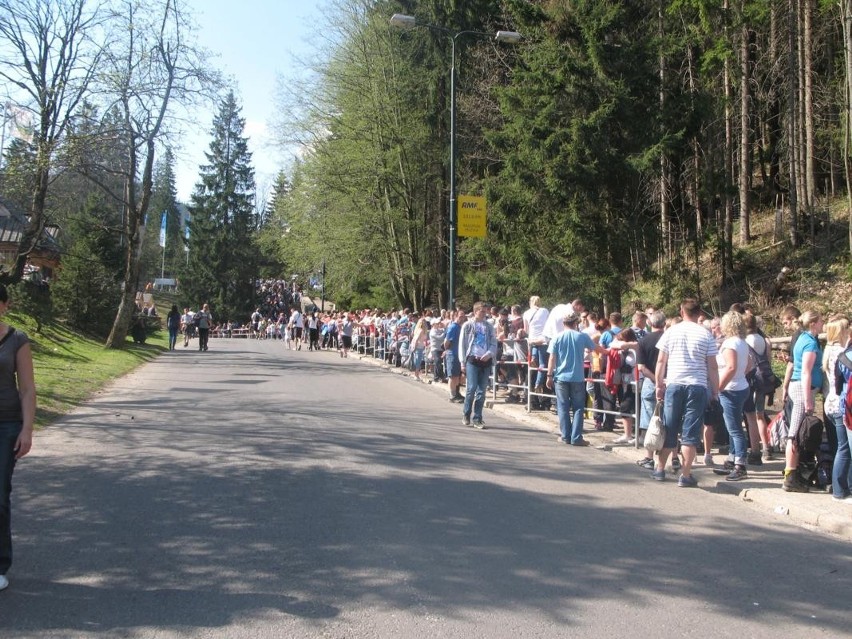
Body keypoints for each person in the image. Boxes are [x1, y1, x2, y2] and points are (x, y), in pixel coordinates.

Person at [654, 298, 719, 487]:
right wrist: (715, 391)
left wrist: (659, 384)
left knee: (669, 427)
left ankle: (659, 469)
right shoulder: (706, 334)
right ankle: (686, 474)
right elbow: (713, 367)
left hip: (674, 383)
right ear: (699, 313)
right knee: (691, 431)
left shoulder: (671, 331)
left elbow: (661, 361)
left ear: (682, 312)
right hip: (697, 386)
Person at [0, 284, 36, 591]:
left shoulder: (17, 340)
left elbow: (27, 389)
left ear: (4, 306)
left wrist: (27, 429)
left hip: (6, 425)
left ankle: (0, 565)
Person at [545, 310, 605, 446]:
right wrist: (608, 351)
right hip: (577, 377)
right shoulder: (582, 337)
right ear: (575, 323)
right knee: (578, 408)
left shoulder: (557, 337)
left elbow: (552, 358)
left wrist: (549, 375)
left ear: (563, 323)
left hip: (561, 377)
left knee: (563, 407)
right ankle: (576, 437)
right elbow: (595, 347)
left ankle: (565, 436)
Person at [782, 310, 824, 492]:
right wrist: (808, 399)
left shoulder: (805, 338)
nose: (823, 323)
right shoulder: (808, 342)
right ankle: (790, 477)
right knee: (795, 434)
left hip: (800, 387)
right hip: (801, 389)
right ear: (813, 323)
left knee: (798, 433)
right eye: (821, 321)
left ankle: (795, 473)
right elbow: (806, 371)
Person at [712, 311, 752, 481]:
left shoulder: (730, 343)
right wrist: (740, 376)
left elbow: (730, 367)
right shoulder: (742, 342)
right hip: (740, 386)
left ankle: (740, 464)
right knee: (732, 426)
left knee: (735, 429)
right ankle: (731, 458)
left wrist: (718, 387)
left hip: (730, 389)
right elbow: (750, 363)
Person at [822, 315, 852, 501]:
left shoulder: (827, 350)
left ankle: (840, 488)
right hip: (841, 403)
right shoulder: (842, 352)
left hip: (830, 401)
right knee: (844, 449)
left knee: (840, 447)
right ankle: (840, 490)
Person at [459, 303, 497, 429]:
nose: (484, 313)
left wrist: (489, 354)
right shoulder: (468, 325)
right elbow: (462, 345)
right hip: (472, 360)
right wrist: (462, 362)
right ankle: (466, 413)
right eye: (481, 311)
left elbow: (493, 343)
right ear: (475, 312)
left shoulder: (489, 326)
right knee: (471, 389)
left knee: (482, 391)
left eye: (485, 311)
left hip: (485, 361)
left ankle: (478, 418)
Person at [443, 309, 466, 403]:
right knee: (453, 376)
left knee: (458, 376)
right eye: (460, 316)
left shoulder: (460, 327)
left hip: (459, 355)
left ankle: (457, 393)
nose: (462, 318)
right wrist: (447, 350)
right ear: (456, 316)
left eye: (463, 316)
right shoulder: (453, 327)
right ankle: (452, 396)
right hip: (452, 354)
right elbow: (446, 342)